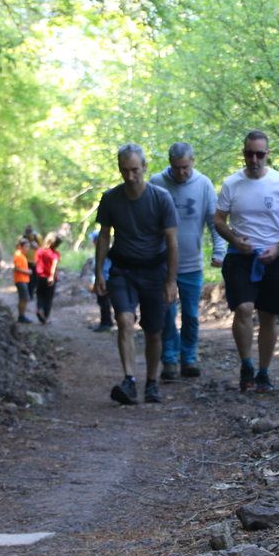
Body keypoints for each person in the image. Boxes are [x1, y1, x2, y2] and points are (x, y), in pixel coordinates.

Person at [214, 130, 279, 393]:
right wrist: (234, 239)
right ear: (243, 153)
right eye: (249, 153)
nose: (254, 159)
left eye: (259, 154)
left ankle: (264, 372)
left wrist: (278, 247)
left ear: (267, 154)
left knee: (268, 315)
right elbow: (219, 220)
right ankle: (246, 366)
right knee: (243, 308)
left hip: (275, 257)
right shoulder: (231, 183)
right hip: (239, 257)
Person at [93, 143, 179, 405]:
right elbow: (104, 237)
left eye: (134, 170)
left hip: (154, 271)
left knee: (154, 332)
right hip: (123, 269)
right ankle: (129, 381)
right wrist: (99, 273)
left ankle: (151, 382)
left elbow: (172, 241)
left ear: (144, 167)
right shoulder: (110, 198)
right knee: (124, 320)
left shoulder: (161, 198)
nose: (130, 176)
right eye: (124, 170)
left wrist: (171, 281)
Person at [149, 142, 226, 380]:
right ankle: (169, 360)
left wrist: (219, 250)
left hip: (192, 263)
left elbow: (214, 221)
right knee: (167, 314)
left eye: (185, 167)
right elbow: (148, 222)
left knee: (191, 315)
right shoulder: (156, 182)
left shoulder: (203, 184)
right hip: (163, 265)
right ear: (169, 164)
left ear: (193, 161)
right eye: (176, 167)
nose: (181, 172)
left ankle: (189, 357)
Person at [88, 230, 114, 332]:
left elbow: (101, 269)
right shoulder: (108, 252)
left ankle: (106, 322)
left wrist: (95, 281)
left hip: (104, 280)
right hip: (106, 279)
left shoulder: (104, 254)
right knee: (104, 301)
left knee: (104, 302)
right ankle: (107, 321)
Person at [35, 232, 62, 323]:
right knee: (48, 297)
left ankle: (40, 309)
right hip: (50, 278)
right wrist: (52, 276)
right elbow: (54, 265)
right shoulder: (55, 254)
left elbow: (37, 262)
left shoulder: (40, 251)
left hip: (40, 276)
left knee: (40, 295)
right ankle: (46, 316)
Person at [13, 237, 33, 323]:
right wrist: (27, 272)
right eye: (26, 247)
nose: (27, 249)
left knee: (24, 298)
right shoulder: (18, 255)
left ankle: (22, 315)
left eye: (28, 247)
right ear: (20, 246)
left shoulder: (22, 255)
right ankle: (21, 316)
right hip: (20, 280)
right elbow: (16, 268)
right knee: (25, 298)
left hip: (23, 280)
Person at [23, 225, 42, 300]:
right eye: (27, 233)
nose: (29, 234)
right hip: (26, 262)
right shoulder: (23, 238)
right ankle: (30, 295)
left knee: (36, 279)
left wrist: (36, 247)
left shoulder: (37, 237)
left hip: (36, 261)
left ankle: (35, 292)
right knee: (29, 279)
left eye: (30, 232)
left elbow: (43, 249)